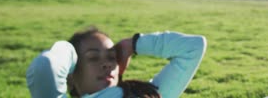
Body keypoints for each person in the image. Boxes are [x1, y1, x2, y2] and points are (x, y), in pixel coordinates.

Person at [26, 27, 207, 98]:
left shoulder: (146, 94)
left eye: (112, 57)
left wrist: (134, 44)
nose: (107, 64)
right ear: (71, 76)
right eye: (93, 58)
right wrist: (70, 54)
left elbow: (193, 47)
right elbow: (44, 67)